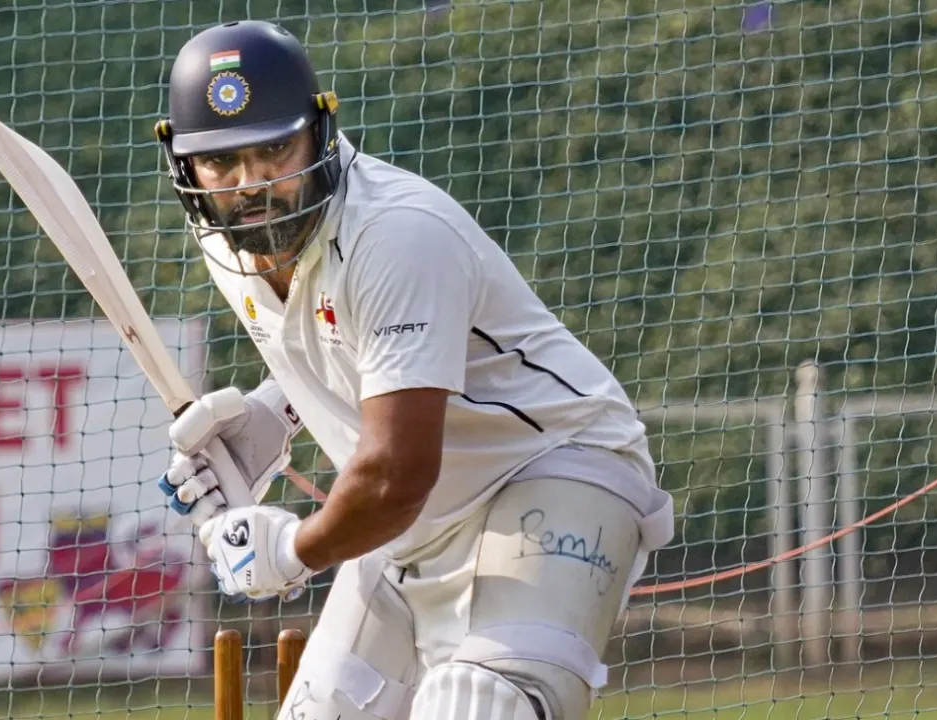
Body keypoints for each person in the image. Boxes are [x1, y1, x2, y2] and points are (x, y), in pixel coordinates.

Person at [151, 19, 675, 720]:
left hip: (547, 468)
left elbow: (396, 475)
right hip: (410, 523)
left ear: (320, 130)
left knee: (482, 706)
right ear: (186, 166)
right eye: (223, 163)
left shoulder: (396, 234)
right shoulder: (229, 242)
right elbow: (352, 348)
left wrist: (292, 549)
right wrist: (276, 412)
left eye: (275, 149)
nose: (253, 186)